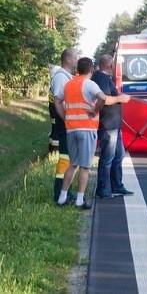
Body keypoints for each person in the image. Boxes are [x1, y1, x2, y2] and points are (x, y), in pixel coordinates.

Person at [56, 57, 130, 209]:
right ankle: (80, 200)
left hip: (71, 129)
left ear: (78, 69)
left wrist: (65, 117)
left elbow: (57, 100)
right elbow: (102, 98)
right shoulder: (89, 84)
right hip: (86, 128)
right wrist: (95, 110)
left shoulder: (69, 84)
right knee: (85, 166)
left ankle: (62, 197)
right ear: (91, 70)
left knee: (72, 164)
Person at [91, 54, 134, 199]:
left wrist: (118, 96)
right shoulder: (101, 78)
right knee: (107, 157)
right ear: (110, 66)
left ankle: (117, 185)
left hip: (114, 124)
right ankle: (103, 189)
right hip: (108, 124)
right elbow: (104, 99)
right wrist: (119, 98)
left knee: (118, 155)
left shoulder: (104, 78)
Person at [51, 48, 78, 202]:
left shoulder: (67, 76)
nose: (76, 59)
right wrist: (66, 120)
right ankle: (60, 192)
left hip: (68, 122)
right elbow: (59, 102)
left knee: (70, 158)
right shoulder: (61, 77)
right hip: (65, 123)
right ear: (68, 59)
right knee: (65, 157)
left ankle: (66, 190)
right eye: (75, 57)